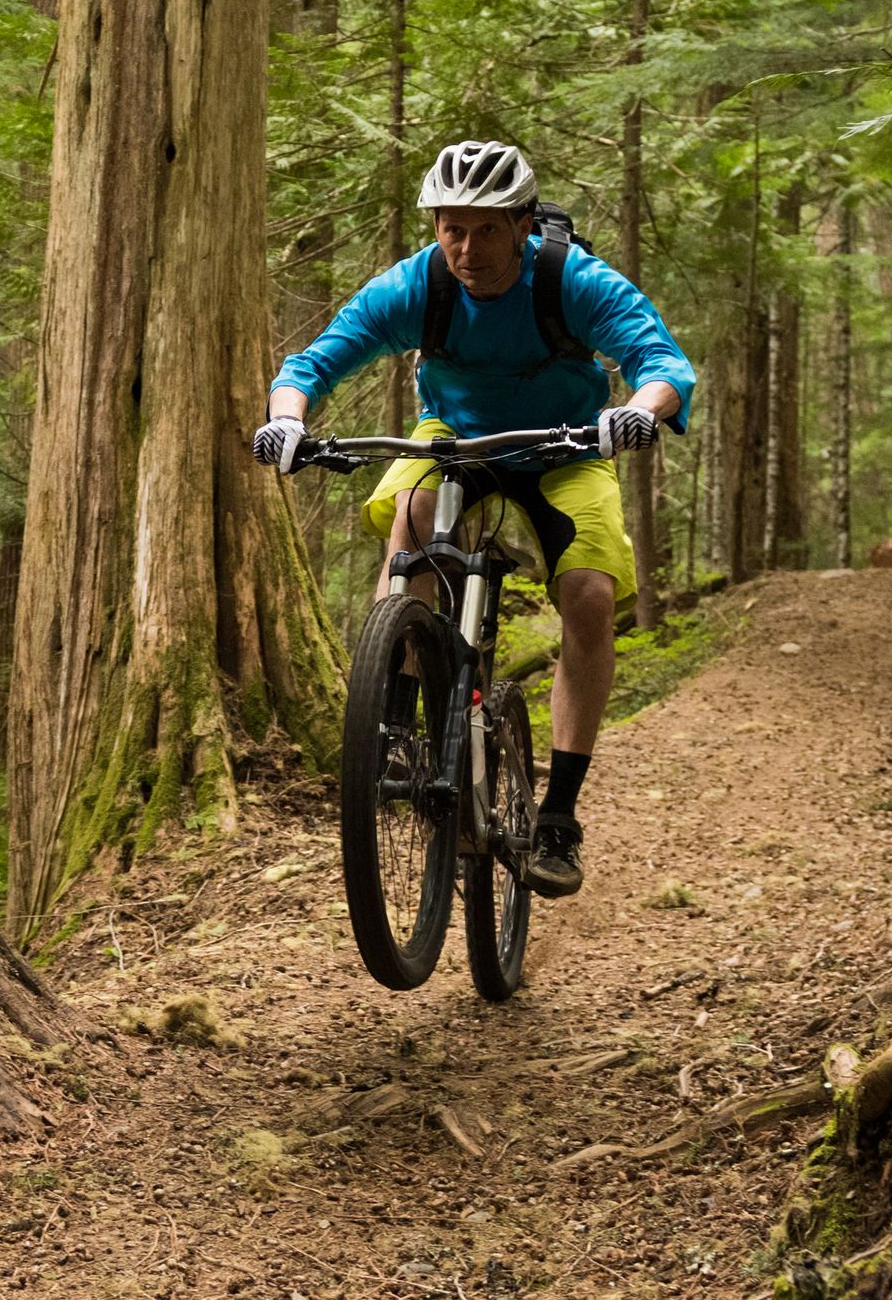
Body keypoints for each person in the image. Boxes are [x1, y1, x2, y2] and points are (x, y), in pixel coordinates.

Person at [252, 139, 696, 898]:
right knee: (412, 520)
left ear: (522, 225)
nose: (467, 248)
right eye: (452, 228)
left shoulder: (570, 280)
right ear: (435, 228)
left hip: (565, 446)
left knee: (589, 595)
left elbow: (663, 363)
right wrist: (287, 420)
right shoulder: (417, 286)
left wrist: (637, 410)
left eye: (487, 228)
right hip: (454, 437)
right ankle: (395, 728)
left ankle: (559, 816)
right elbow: (312, 363)